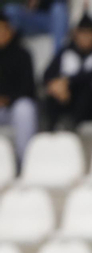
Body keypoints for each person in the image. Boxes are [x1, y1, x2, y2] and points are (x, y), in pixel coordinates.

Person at [41, 16, 92, 130]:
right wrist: (56, 86)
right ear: (76, 34)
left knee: (86, 89)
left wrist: (67, 82)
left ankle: (71, 124)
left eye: (89, 34)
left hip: (91, 105)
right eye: (82, 33)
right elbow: (47, 75)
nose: (86, 38)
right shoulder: (66, 51)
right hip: (65, 98)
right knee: (52, 92)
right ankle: (49, 131)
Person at [0, 15, 38, 158]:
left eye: (2, 29)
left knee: (25, 109)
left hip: (14, 106)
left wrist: (7, 99)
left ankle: (25, 161)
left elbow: (28, 87)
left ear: (10, 31)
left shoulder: (22, 54)